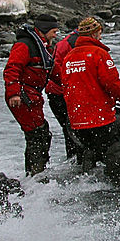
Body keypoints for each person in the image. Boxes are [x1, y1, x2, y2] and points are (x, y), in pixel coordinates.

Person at [61, 18, 120, 178]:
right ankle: (118, 184)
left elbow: (65, 86)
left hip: (77, 119)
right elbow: (113, 84)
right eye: (99, 33)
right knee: (112, 147)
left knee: (89, 148)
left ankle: (86, 180)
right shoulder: (99, 54)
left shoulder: (69, 57)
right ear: (95, 33)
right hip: (99, 117)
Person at [3, 14, 59, 175]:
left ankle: (37, 172)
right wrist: (14, 94)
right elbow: (11, 69)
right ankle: (35, 176)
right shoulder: (25, 45)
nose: (55, 35)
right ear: (44, 30)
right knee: (37, 135)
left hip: (32, 96)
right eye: (54, 32)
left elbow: (54, 71)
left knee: (41, 133)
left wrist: (73, 82)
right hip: (22, 97)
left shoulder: (43, 48)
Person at [45, 20, 85, 161]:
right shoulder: (76, 44)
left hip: (56, 92)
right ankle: (77, 162)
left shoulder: (66, 42)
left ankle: (73, 161)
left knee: (70, 130)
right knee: (74, 130)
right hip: (62, 93)